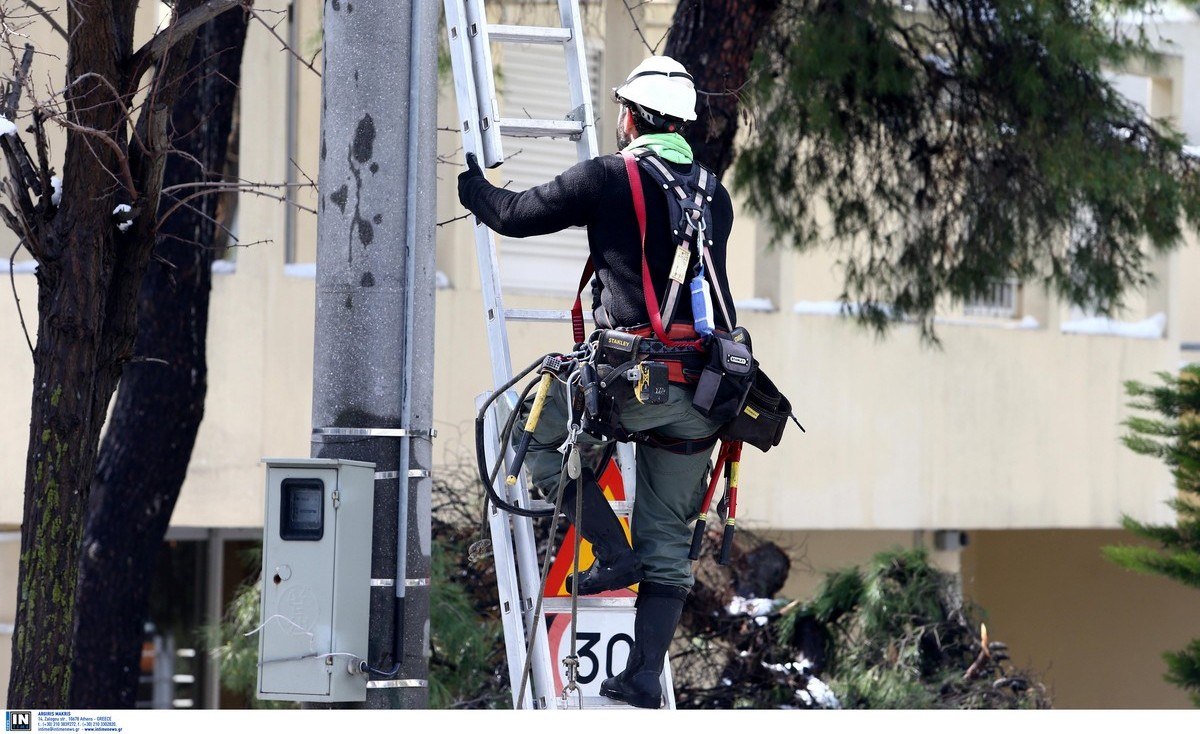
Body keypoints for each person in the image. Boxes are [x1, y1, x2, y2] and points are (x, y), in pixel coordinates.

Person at [458, 55, 738, 709]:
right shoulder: (713, 194)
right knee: (668, 540)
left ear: (631, 117)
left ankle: (609, 549)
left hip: (632, 379)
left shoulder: (609, 176)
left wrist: (472, 187)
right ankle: (641, 677)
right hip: (705, 392)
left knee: (523, 423)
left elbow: (515, 213)